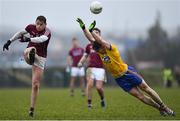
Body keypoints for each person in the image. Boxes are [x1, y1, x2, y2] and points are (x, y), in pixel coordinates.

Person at [76, 18, 175, 116]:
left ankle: (165, 107)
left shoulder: (111, 48)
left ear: (102, 46)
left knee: (146, 89)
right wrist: (84, 28)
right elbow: (91, 39)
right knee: (140, 97)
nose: (99, 52)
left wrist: (91, 31)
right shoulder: (99, 49)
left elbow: (100, 40)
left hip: (128, 72)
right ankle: (159, 108)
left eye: (100, 50)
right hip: (119, 79)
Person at [3, 15, 51, 117]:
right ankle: (30, 56)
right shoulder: (30, 27)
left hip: (41, 58)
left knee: (35, 85)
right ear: (35, 22)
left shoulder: (47, 32)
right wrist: (9, 41)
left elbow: (41, 39)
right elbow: (20, 33)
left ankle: (31, 109)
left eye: (41, 25)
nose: (38, 26)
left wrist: (28, 39)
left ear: (45, 25)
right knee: (31, 49)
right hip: (28, 52)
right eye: (37, 23)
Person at [78, 42, 106, 108]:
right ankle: (89, 103)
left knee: (99, 87)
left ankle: (102, 99)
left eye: (97, 32)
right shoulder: (89, 46)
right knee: (89, 84)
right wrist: (80, 62)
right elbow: (85, 55)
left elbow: (106, 56)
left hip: (100, 69)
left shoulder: (102, 44)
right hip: (90, 68)